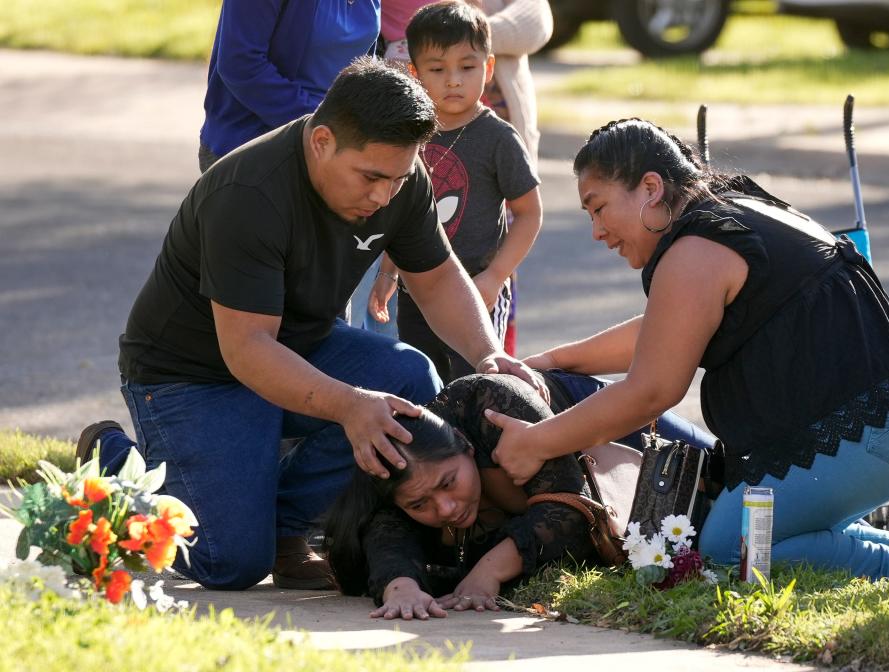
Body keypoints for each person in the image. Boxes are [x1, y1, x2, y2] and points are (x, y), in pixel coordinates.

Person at [81, 58, 546, 593]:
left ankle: (284, 525)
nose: (382, 197)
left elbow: (438, 280)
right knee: (226, 561)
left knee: (410, 381)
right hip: (192, 375)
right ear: (322, 140)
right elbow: (247, 349)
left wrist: (490, 355)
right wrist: (349, 405)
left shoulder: (399, 176)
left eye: (396, 180)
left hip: (295, 348)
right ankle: (112, 458)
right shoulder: (248, 194)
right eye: (370, 178)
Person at [485, 118, 889, 595]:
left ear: (650, 188)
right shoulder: (724, 217)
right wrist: (552, 361)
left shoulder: (695, 250)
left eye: (599, 207)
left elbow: (651, 392)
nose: (596, 231)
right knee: (758, 534)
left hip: (873, 429)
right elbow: (664, 332)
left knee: (730, 550)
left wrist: (538, 442)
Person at [324, 373, 597, 619]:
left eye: (448, 482)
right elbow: (386, 530)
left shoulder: (492, 405)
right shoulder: (397, 485)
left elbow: (575, 510)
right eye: (419, 504)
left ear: (464, 444)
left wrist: (489, 571)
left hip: (602, 417)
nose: (445, 509)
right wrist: (400, 588)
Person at [361, 0, 553, 346]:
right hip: (417, 289)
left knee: (477, 383)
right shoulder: (411, 137)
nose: (453, 81)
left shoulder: (499, 138)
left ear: (488, 67)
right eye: (437, 70)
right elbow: (401, 212)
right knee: (427, 385)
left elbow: (530, 213)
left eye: (467, 67)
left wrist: (496, 276)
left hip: (477, 291)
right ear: (415, 73)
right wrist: (388, 274)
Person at [197, 0, 379, 172]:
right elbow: (240, 63)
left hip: (334, 144)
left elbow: (362, 63)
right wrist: (318, 121)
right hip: (255, 148)